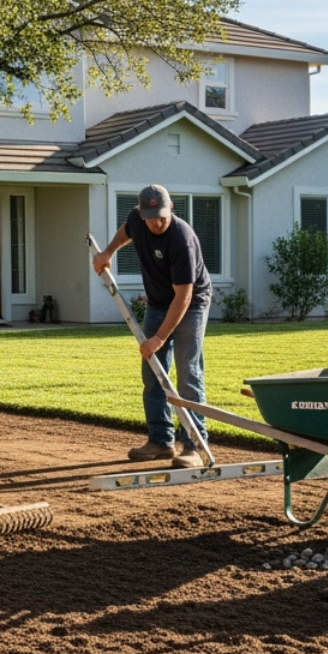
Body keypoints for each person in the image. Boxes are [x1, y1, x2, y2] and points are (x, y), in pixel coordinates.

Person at [91, 184, 211, 470]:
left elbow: (183, 296)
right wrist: (107, 252)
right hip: (158, 303)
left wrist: (158, 337)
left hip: (190, 304)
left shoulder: (182, 240)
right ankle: (160, 441)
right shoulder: (138, 220)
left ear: (171, 209)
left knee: (187, 373)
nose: (156, 223)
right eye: (150, 217)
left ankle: (195, 445)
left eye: (161, 216)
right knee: (152, 372)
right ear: (142, 214)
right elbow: (126, 231)